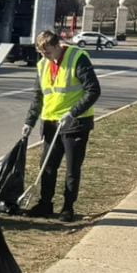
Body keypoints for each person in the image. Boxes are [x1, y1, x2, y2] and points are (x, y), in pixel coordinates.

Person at [21, 28, 102, 223]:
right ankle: (45, 204)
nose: (45, 57)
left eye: (48, 52)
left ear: (57, 45)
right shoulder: (43, 65)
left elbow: (93, 90)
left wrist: (73, 113)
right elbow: (39, 96)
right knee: (47, 166)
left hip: (75, 123)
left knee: (72, 168)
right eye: (41, 53)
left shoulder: (77, 58)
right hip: (50, 122)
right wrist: (29, 122)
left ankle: (68, 207)